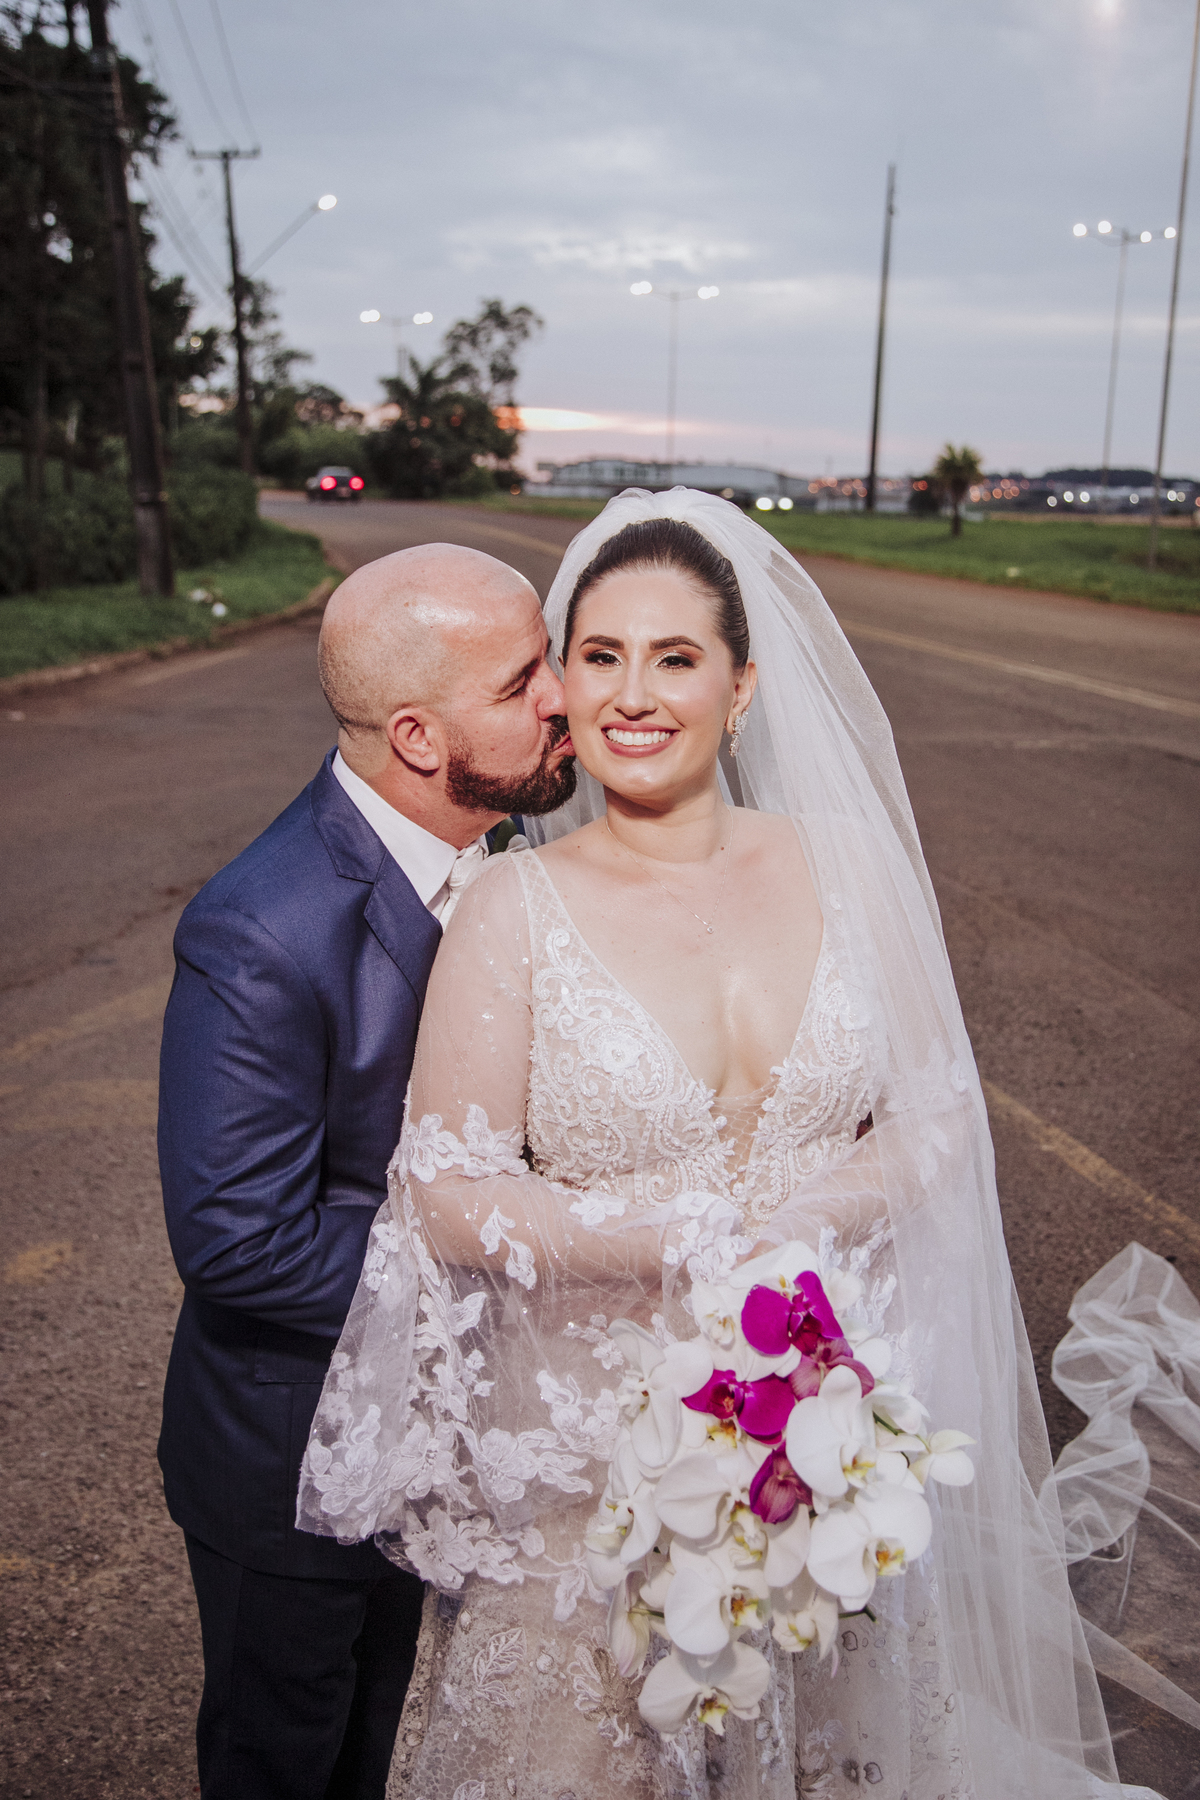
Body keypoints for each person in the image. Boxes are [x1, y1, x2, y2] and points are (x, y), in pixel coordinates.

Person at [298, 493, 1162, 1799]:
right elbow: (448, 1192)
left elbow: (936, 1114)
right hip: (602, 1468)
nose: (634, 694)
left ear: (743, 687)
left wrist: (811, 1218)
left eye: (676, 656)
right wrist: (668, 1240)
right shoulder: (511, 907)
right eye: (600, 656)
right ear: (565, 684)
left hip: (823, 1439)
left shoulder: (852, 866)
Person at [157, 542, 577, 1800]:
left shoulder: (519, 850)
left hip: (457, 1445)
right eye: (521, 682)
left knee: (404, 1748)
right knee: (296, 1762)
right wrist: (525, 1253)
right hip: (295, 1467)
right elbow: (240, 1241)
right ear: (417, 736)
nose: (562, 697)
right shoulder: (261, 927)